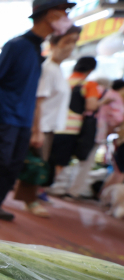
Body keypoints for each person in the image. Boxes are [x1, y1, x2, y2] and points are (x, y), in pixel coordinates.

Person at [0, 0, 75, 221]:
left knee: (14, 165)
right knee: (2, 160)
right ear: (49, 15)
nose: (66, 17)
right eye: (62, 12)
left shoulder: (37, 51)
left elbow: (33, 95)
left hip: (23, 119)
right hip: (5, 115)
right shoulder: (17, 45)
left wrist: (35, 128)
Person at [13, 25, 82, 217]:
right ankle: (29, 200)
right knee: (35, 163)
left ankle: (31, 197)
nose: (70, 47)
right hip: (41, 125)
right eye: (67, 41)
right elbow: (37, 101)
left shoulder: (58, 70)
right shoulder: (47, 69)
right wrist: (36, 130)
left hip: (50, 126)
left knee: (38, 163)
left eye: (74, 42)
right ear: (53, 43)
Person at [48, 57, 103, 199]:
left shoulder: (66, 81)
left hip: (54, 124)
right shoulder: (88, 85)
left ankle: (43, 185)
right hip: (71, 127)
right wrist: (103, 102)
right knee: (62, 160)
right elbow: (91, 106)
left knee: (49, 156)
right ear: (91, 70)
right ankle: (55, 187)